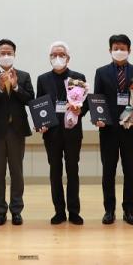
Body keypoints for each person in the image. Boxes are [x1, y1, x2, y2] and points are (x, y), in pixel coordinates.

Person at [93, 34, 133, 225]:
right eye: (116, 48)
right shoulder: (101, 72)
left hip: (131, 129)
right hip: (108, 130)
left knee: (130, 171)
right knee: (108, 171)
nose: (119, 51)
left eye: (123, 48)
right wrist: (98, 119)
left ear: (129, 50)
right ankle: (109, 210)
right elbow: (97, 99)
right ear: (110, 50)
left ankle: (129, 210)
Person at [0, 38, 34, 226]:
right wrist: (0, 88)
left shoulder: (24, 76)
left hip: (17, 131)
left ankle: (16, 210)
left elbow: (30, 99)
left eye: (9, 53)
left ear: (14, 54)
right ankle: (0, 211)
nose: (6, 56)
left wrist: (16, 86)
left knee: (17, 173)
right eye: (2, 53)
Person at [35, 41, 87, 225]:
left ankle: (74, 211)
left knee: (73, 171)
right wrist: (40, 124)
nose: (58, 58)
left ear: (68, 58)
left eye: (61, 55)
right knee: (55, 172)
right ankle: (59, 211)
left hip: (72, 132)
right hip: (52, 134)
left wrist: (80, 110)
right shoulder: (42, 79)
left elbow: (85, 105)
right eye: (54, 55)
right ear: (49, 58)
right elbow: (39, 105)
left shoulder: (78, 77)